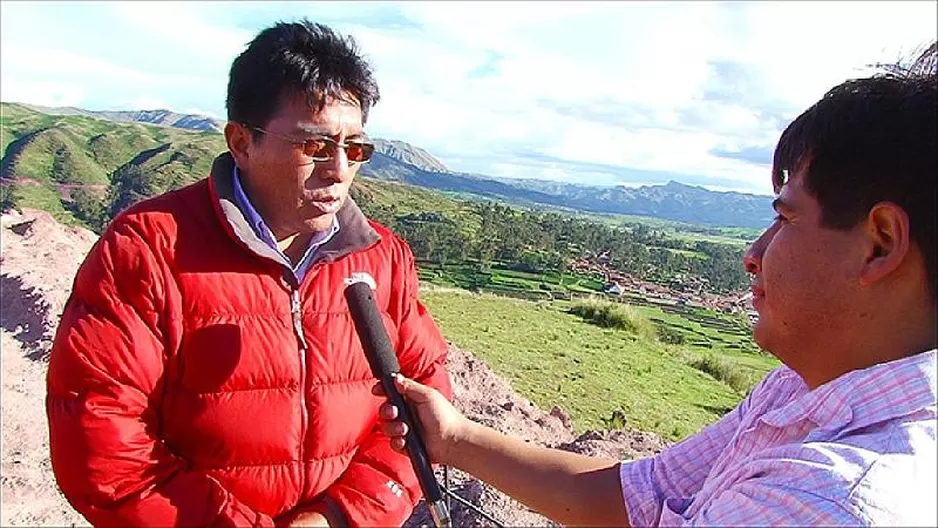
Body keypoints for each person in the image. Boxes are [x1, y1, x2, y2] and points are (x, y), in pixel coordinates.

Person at [377, 43, 937, 526]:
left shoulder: (830, 501)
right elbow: (643, 497)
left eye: (786, 220)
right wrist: (453, 438)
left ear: (880, 242)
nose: (754, 254)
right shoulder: (802, 391)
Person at [46, 19, 452, 527]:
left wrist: (338, 518)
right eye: (316, 146)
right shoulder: (148, 251)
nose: (340, 168)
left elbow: (420, 400)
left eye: (357, 149)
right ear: (241, 141)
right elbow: (101, 439)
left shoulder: (381, 258)